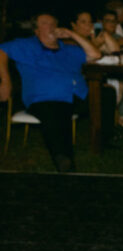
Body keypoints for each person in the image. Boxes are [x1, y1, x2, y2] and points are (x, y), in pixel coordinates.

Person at [0, 12, 116, 172]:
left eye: (54, 23)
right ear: (36, 30)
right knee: (56, 111)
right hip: (43, 98)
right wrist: (5, 81)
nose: (52, 26)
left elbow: (95, 54)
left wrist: (72, 34)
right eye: (46, 23)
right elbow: (1, 51)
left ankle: (103, 141)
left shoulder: (69, 49)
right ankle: (63, 159)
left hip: (77, 94)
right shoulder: (26, 45)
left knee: (107, 94)